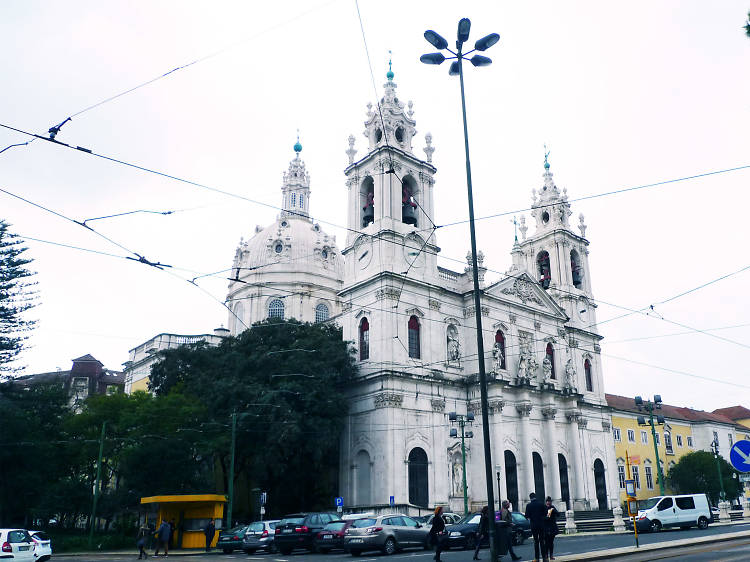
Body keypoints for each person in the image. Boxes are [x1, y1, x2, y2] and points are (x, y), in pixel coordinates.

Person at [524, 492, 548, 562]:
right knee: (542, 541)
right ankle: (545, 558)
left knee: (536, 542)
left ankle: (536, 558)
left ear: (530, 498)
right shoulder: (541, 504)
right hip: (541, 525)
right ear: (535, 497)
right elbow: (546, 513)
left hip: (534, 525)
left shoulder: (529, 505)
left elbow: (526, 516)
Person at [543, 496, 560, 561]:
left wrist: (553, 510)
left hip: (552, 527)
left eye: (549, 501)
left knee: (551, 543)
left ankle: (551, 555)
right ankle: (546, 555)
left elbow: (558, 514)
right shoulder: (544, 508)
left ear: (550, 502)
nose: (548, 503)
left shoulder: (552, 507)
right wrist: (546, 517)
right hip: (546, 527)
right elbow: (543, 517)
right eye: (547, 501)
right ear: (546, 502)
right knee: (546, 543)